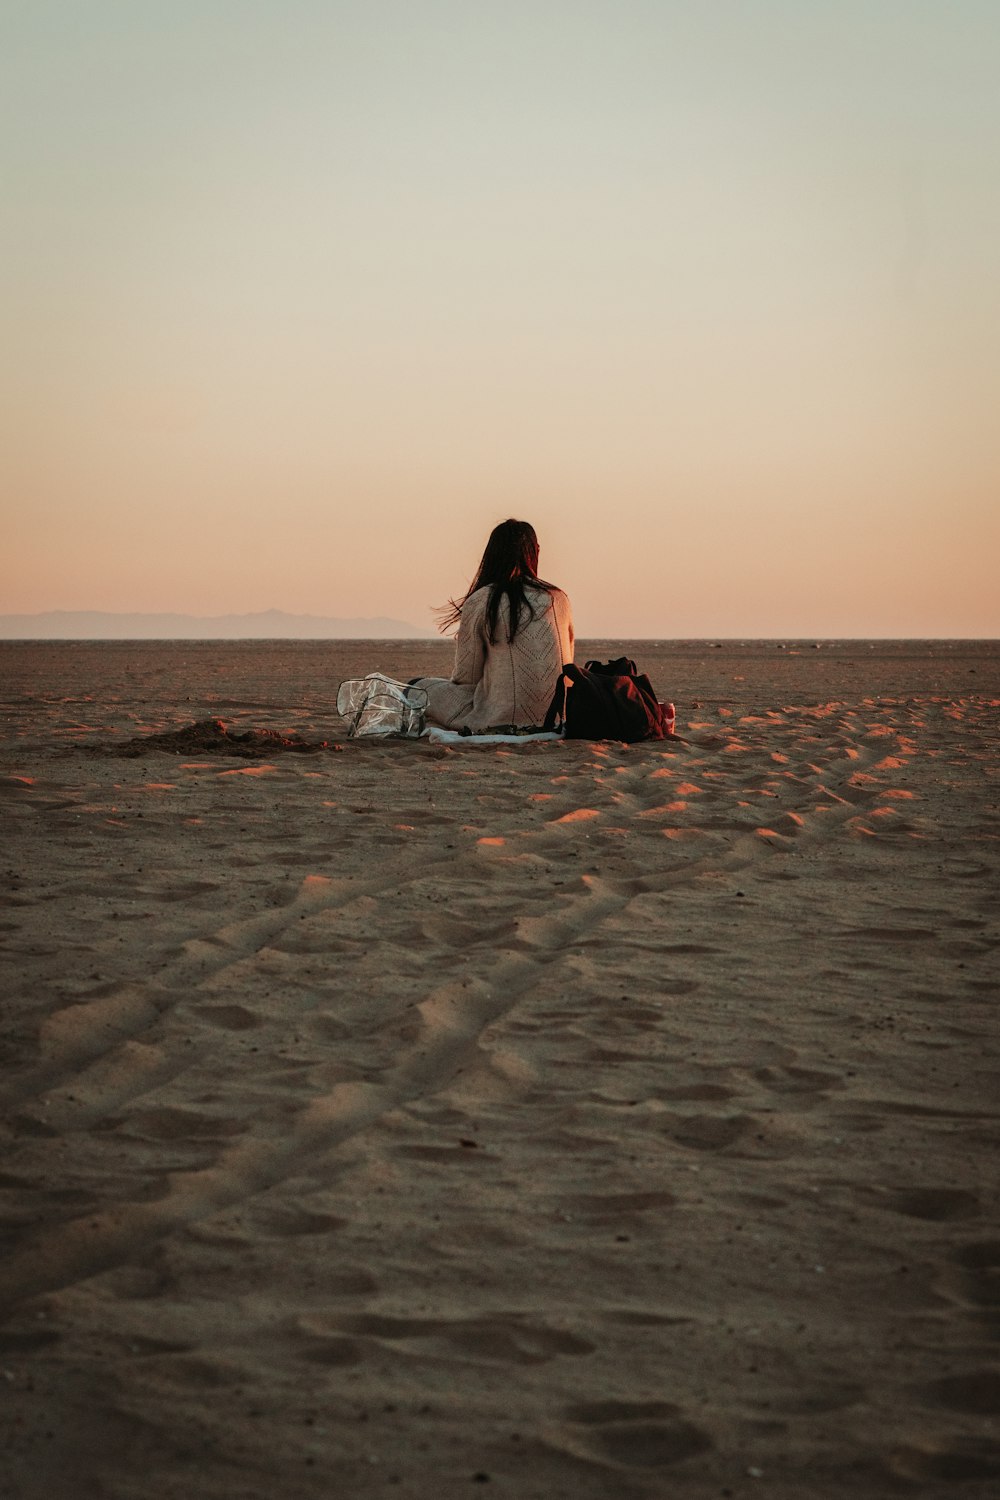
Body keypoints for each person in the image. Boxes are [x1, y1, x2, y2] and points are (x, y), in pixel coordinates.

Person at [413, 519, 574, 733]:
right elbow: (566, 662)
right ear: (535, 551)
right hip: (559, 714)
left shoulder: (483, 600)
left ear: (491, 555)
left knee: (420, 687)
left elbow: (466, 677)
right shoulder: (558, 598)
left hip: (498, 717)